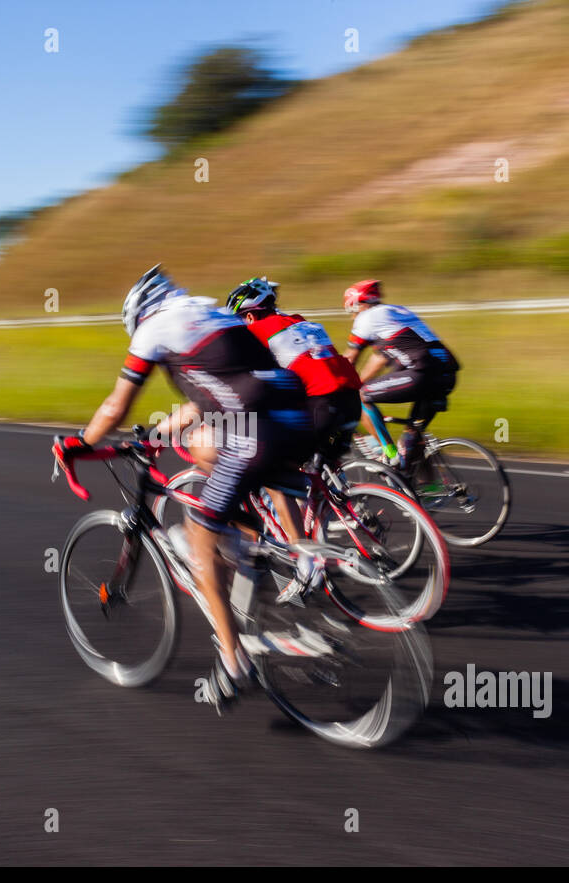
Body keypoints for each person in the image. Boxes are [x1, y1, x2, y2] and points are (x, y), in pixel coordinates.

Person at [64, 265, 313, 712]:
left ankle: (233, 663)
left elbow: (116, 406)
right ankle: (262, 562)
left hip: (251, 429)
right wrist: (159, 435)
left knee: (200, 535)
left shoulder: (153, 329)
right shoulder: (217, 316)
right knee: (213, 463)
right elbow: (212, 393)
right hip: (300, 420)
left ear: (138, 314)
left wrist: (79, 444)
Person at [226, 276, 362, 459]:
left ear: (249, 316)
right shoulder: (299, 321)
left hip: (323, 403)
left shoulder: (256, 330)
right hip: (353, 399)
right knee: (321, 464)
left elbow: (239, 372)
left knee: (269, 461)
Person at [340, 279, 460, 481]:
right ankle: (430, 490)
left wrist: (341, 386)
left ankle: (389, 454)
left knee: (361, 396)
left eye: (352, 311)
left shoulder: (367, 317)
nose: (352, 316)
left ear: (357, 304)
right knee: (412, 435)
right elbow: (378, 360)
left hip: (422, 374)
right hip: (447, 375)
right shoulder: (396, 312)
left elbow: (350, 359)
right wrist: (357, 380)